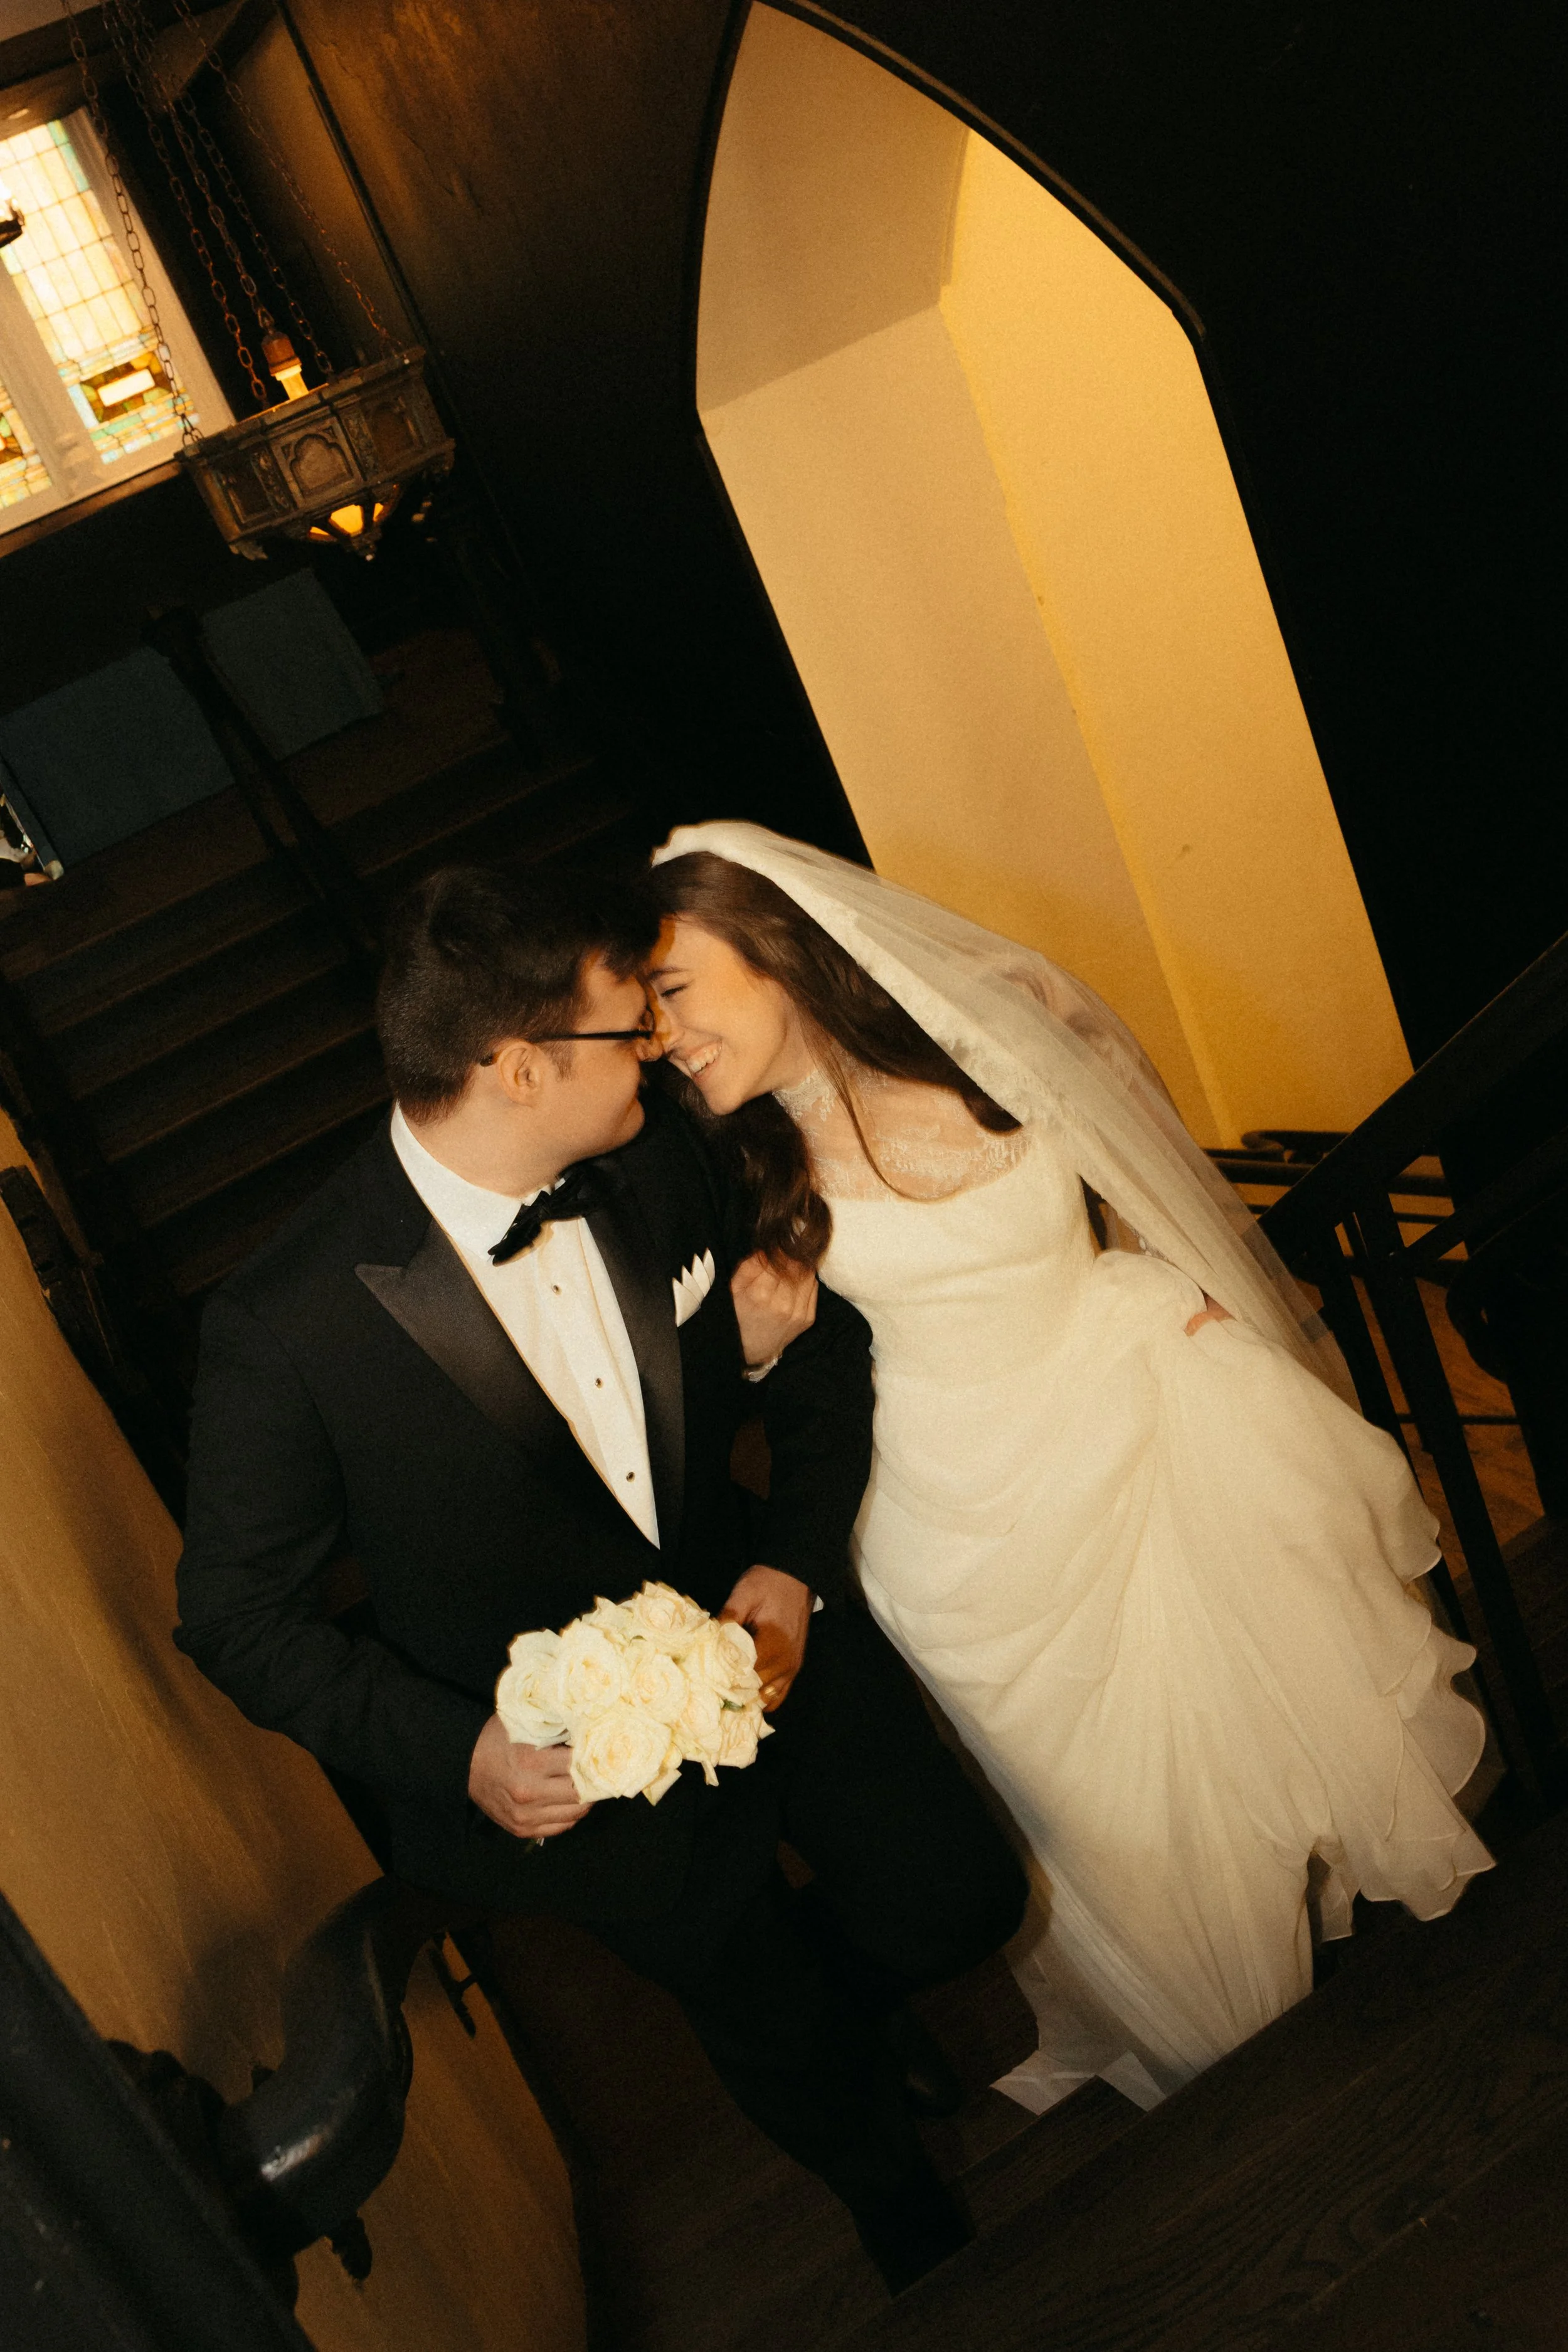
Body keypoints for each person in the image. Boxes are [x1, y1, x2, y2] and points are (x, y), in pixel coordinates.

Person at [175, 862, 1026, 2294]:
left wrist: (789, 1562)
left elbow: (817, 1354)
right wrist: (466, 1752)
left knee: (960, 1904)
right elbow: (236, 1621)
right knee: (768, 2028)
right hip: (584, 1768)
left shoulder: (662, 1152)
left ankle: (852, 2007)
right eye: (622, 1031)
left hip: (768, 1642)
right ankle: (913, 2233)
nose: (657, 1051)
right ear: (516, 1066)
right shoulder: (286, 1326)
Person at [645, 819, 1493, 2106]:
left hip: (1132, 1408)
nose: (665, 1037)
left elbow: (1121, 1175)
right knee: (1115, 1826)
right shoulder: (733, 1170)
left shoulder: (991, 1034)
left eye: (672, 991)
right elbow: (701, 1396)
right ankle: (1252, 2082)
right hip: (963, 1531)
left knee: (1236, 1726)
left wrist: (1179, 1288)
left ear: (771, 949)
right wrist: (751, 1353)